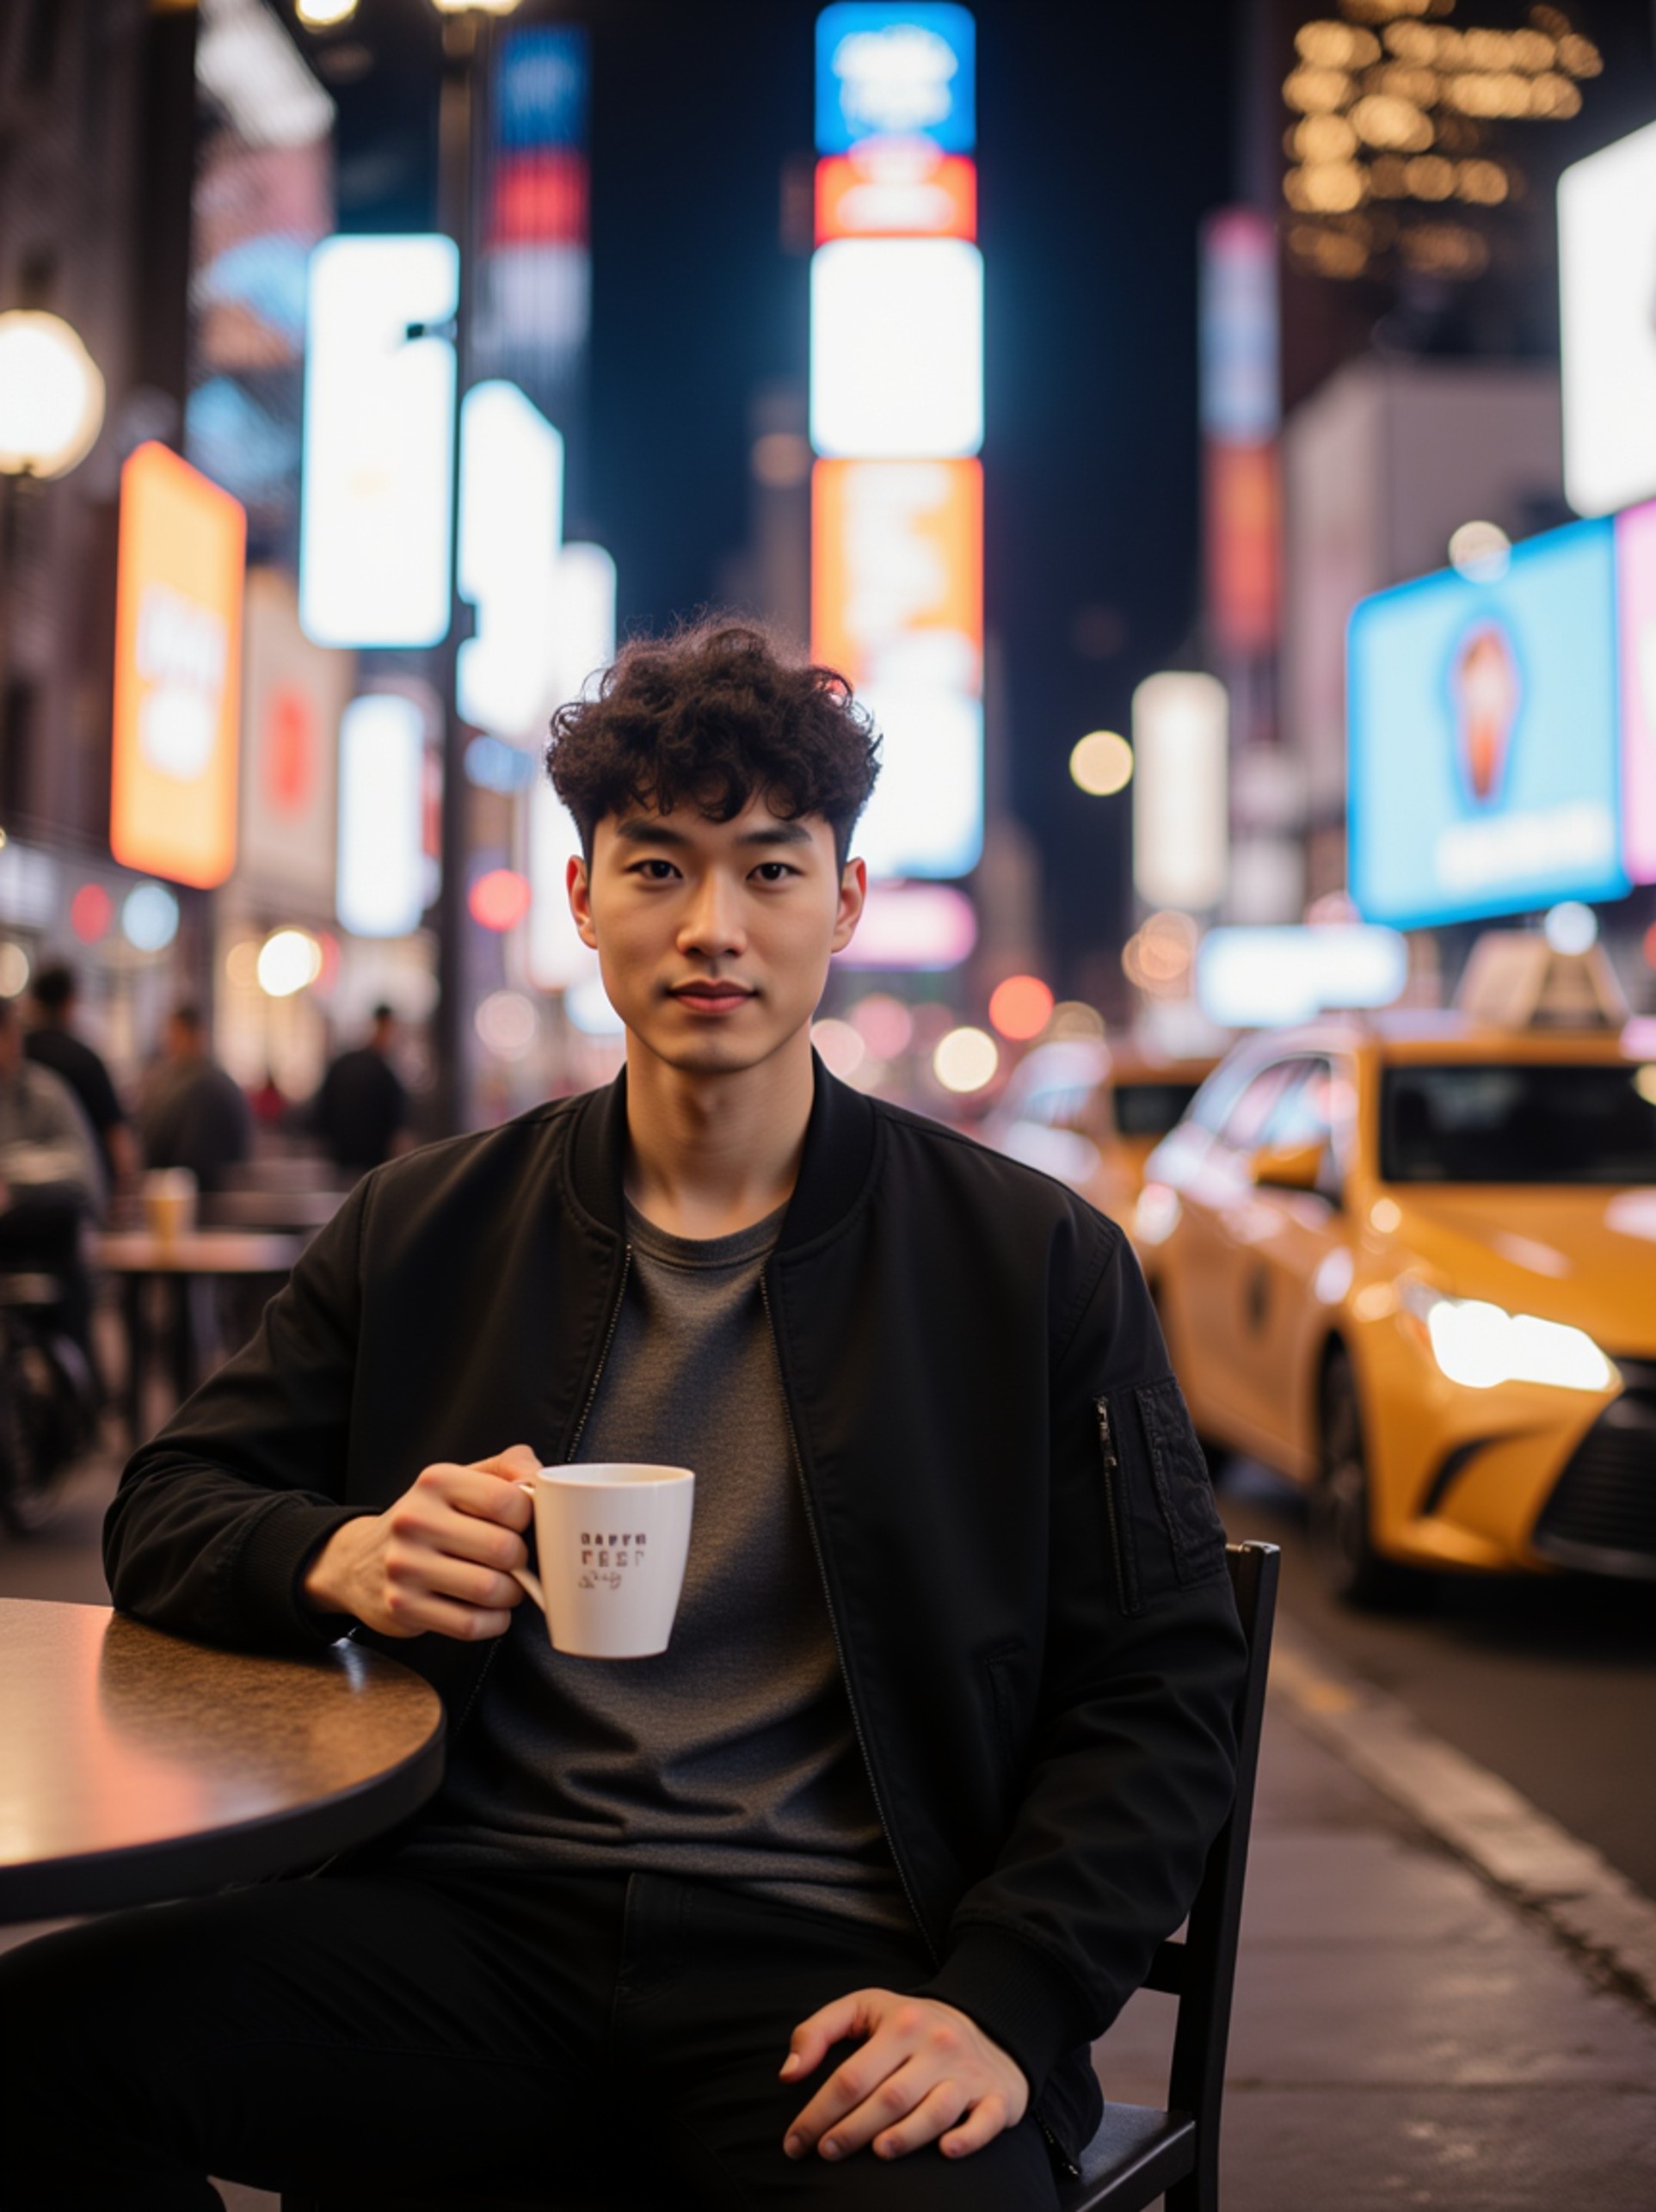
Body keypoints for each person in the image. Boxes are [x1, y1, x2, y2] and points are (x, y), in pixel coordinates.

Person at [0, 621, 1247, 2209]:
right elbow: (163, 1508)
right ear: (582, 898)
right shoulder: (428, 1224)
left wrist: (1004, 1997)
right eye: (657, 868)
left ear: (847, 901)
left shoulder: (1031, 1258)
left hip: (840, 1969)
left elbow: (1162, 1676)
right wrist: (345, 1557)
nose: (712, 928)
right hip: (462, 1926)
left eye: (771, 870)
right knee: (28, 2057)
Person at [0, 991, 102, 1360]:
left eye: (10, 1034)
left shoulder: (46, 1091)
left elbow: (81, 1171)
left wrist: (11, 1179)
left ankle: (79, 1381)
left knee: (63, 1214)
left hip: (34, 1229)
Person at [23, 961, 136, 1211]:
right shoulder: (85, 1060)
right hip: (78, 1202)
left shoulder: (20, 1057)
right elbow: (116, 1136)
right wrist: (124, 1194)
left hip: (18, 1205)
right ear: (70, 1002)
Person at [135, 1001, 253, 1194]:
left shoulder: (204, 1086)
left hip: (206, 1201)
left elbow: (194, 1163)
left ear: (197, 1036)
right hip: (197, 1193)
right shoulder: (188, 1079)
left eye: (175, 1034)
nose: (169, 1043)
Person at [310, 1002, 410, 1174]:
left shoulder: (343, 1064)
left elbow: (321, 1118)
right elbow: (397, 1128)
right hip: (374, 1169)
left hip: (339, 1165)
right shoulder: (383, 1073)